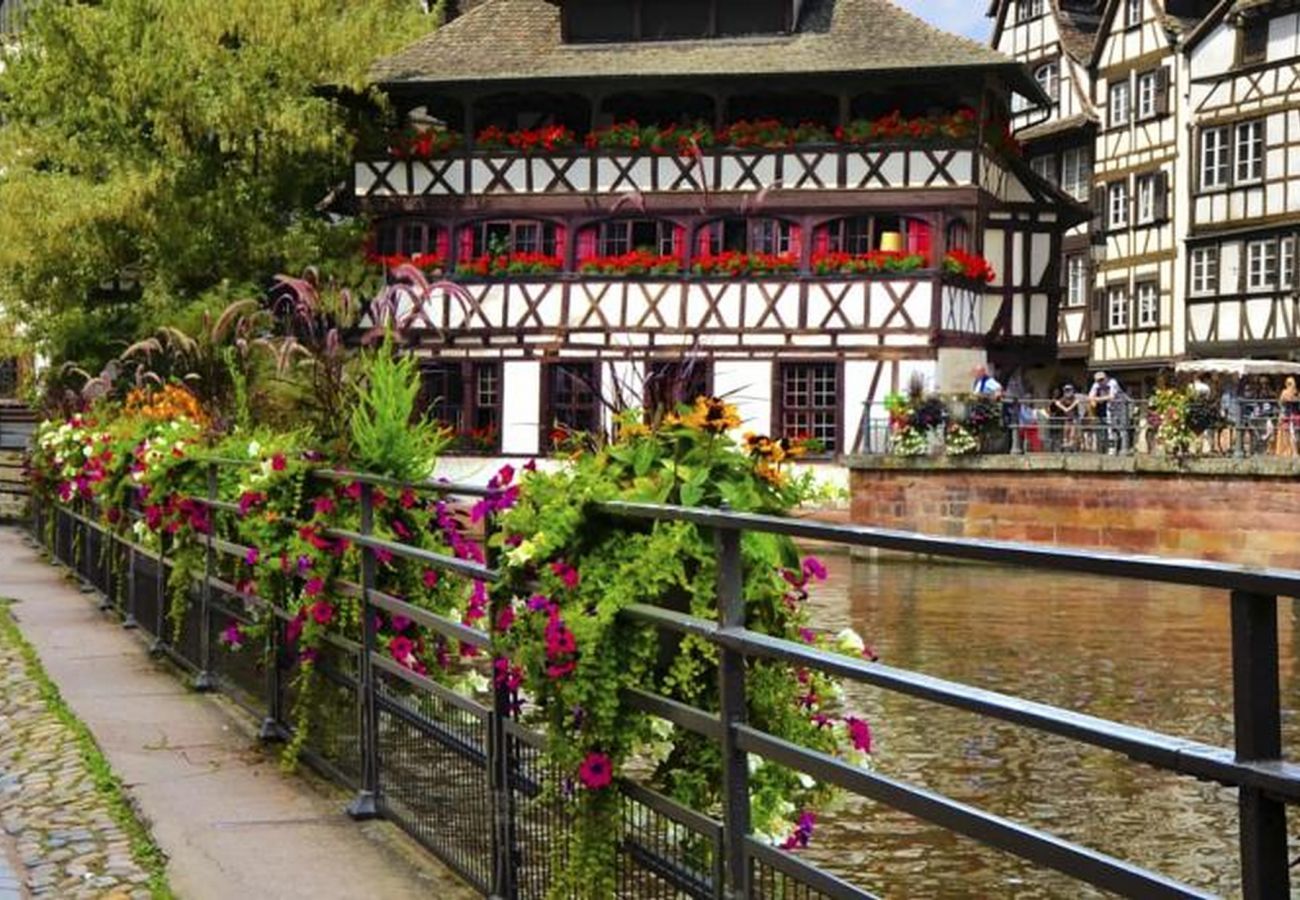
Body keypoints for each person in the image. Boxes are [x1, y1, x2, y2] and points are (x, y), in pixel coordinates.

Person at [1088, 371, 1128, 454]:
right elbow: (1090, 396)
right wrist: (1093, 401)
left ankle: (1124, 449)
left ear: (1106, 378)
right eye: (1098, 380)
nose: (1100, 382)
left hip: (1121, 405)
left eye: (1102, 379)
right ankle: (1112, 449)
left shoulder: (1112, 382)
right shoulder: (1096, 385)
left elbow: (1111, 397)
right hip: (1110, 407)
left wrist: (1097, 399)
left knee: (1122, 428)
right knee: (1110, 429)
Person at [1052, 384, 1081, 451]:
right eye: (1066, 390)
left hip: (1074, 418)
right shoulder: (1063, 398)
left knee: (1072, 432)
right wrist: (1065, 408)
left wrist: (1069, 408)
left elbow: (1076, 403)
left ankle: (1072, 445)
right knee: (1066, 430)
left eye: (1069, 390)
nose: (1068, 392)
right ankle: (1065, 443)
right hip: (1066, 418)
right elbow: (1057, 403)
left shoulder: (1074, 398)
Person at [1278, 377, 1300, 456]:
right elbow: (1282, 401)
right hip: (1286, 415)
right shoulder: (1284, 392)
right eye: (1289, 384)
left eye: (1292, 383)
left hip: (1294, 416)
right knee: (1286, 434)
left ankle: (1294, 451)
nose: (1291, 385)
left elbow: (1296, 401)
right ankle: (1287, 451)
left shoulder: (1297, 392)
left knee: (1294, 434)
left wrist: (1295, 395)